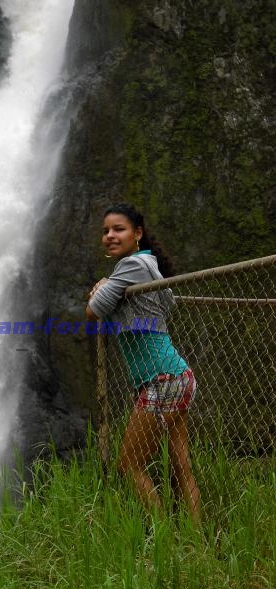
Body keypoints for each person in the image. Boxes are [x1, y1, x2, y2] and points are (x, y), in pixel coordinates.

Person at [86, 202, 200, 523]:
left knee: (129, 466)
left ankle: (165, 538)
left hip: (161, 380)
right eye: (105, 231)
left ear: (137, 233)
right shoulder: (148, 265)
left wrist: (102, 287)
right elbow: (165, 304)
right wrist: (109, 288)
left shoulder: (132, 265)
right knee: (181, 468)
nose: (110, 235)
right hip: (176, 376)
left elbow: (93, 311)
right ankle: (195, 540)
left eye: (118, 229)